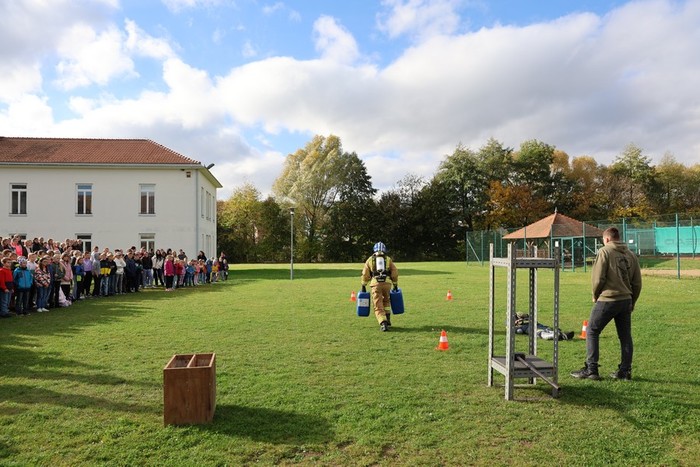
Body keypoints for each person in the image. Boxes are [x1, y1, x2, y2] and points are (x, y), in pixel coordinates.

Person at [571, 227, 642, 381]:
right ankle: (625, 371)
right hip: (626, 300)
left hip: (608, 299)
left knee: (592, 330)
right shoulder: (631, 254)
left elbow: (598, 278)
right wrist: (633, 301)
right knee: (625, 336)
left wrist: (595, 294)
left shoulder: (605, 251)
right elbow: (637, 283)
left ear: (607, 239)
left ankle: (592, 369)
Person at [361, 242, 399, 332]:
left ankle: (383, 323)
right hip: (387, 284)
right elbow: (394, 273)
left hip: (376, 284)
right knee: (386, 301)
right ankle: (388, 319)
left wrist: (363, 285)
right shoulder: (388, 259)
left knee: (378, 304)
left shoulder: (370, 259)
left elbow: (365, 274)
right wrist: (395, 284)